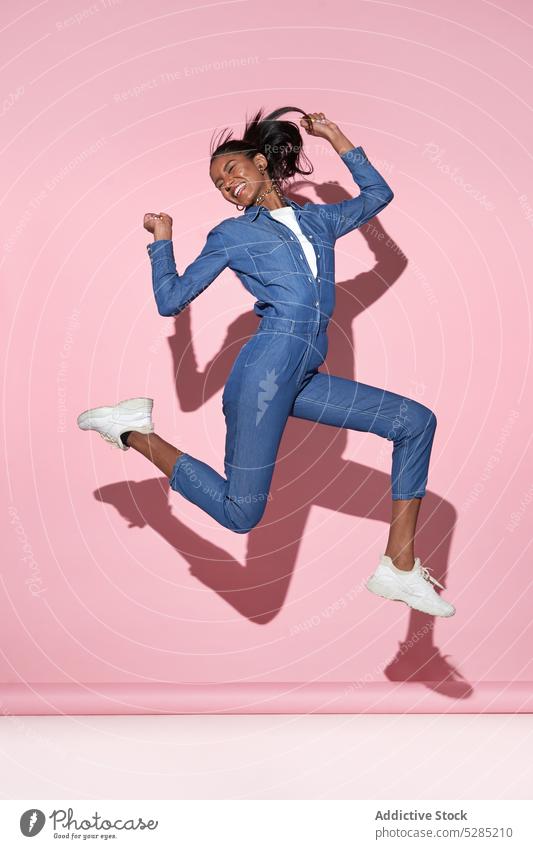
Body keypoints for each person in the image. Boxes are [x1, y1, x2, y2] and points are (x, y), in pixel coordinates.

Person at [77, 106, 455, 618]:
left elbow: (378, 196)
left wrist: (337, 136)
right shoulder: (231, 236)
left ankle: (399, 564)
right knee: (241, 514)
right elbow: (171, 299)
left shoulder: (320, 219)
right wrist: (162, 241)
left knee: (415, 422)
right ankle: (134, 431)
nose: (226, 185)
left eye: (232, 171)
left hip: (302, 372)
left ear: (259, 162)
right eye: (217, 184)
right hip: (263, 373)